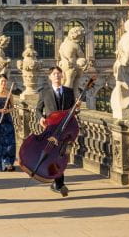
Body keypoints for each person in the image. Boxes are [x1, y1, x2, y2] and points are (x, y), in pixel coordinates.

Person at [35, 66, 76, 197]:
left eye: (58, 74)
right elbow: (38, 109)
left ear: (62, 76)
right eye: (54, 74)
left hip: (65, 129)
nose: (57, 76)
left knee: (62, 155)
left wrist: (77, 109)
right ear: (50, 77)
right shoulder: (44, 92)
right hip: (51, 129)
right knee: (54, 154)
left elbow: (73, 111)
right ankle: (59, 184)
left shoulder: (69, 92)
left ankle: (57, 183)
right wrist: (41, 118)